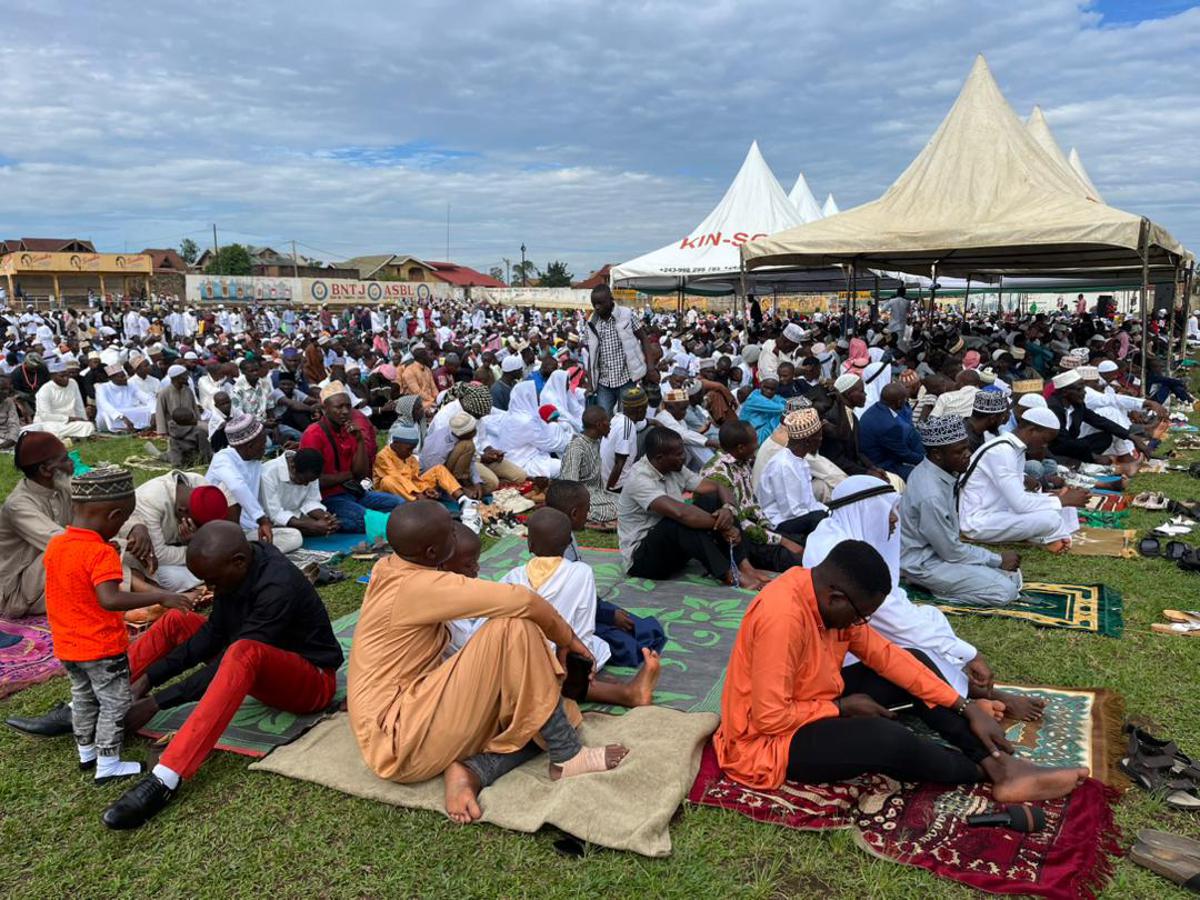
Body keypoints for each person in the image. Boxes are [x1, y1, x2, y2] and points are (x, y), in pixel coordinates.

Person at [715, 539, 1085, 798]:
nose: (861, 623)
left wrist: (963, 705)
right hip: (766, 742)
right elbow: (769, 717)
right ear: (836, 597)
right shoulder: (783, 616)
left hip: (810, 700)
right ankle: (982, 773)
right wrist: (841, 708)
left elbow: (890, 658)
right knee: (883, 738)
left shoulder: (829, 603)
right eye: (860, 615)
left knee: (914, 663)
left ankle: (998, 763)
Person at [347, 501, 628, 825]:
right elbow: (523, 600)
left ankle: (472, 769)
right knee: (515, 628)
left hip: (408, 711)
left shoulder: (391, 567)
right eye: (451, 531)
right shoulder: (418, 587)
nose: (458, 529)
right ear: (432, 552)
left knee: (531, 703)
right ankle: (567, 755)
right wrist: (571, 641)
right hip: (398, 739)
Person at [100, 521, 344, 829]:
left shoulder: (276, 587)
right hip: (258, 662)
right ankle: (100, 698)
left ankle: (167, 777)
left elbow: (235, 659)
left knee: (243, 651)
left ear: (238, 562)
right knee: (177, 620)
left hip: (312, 681)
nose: (208, 587)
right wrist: (147, 680)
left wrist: (156, 703)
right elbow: (214, 633)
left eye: (211, 580)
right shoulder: (238, 567)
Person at [45, 466, 195, 784]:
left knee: (84, 698)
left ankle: (86, 752)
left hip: (68, 647)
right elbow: (110, 599)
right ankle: (108, 762)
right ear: (114, 516)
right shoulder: (100, 553)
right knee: (114, 703)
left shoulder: (57, 544)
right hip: (100, 647)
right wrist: (162, 597)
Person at [451, 508, 661, 708]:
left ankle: (611, 688)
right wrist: (582, 665)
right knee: (592, 648)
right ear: (569, 543)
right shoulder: (581, 572)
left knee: (591, 647)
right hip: (520, 665)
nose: (477, 569)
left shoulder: (513, 576)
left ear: (530, 545)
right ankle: (619, 692)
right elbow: (583, 625)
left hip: (519, 656)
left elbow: (482, 628)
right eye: (470, 565)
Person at [617, 427, 770, 590]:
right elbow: (680, 514)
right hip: (644, 562)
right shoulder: (639, 479)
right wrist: (725, 525)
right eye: (679, 454)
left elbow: (717, 487)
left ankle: (745, 566)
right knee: (680, 521)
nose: (684, 457)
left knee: (712, 500)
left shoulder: (674, 468)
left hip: (674, 552)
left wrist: (728, 509)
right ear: (660, 457)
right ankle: (729, 574)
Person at [901, 416, 1023, 608]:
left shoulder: (939, 471)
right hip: (926, 563)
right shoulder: (930, 494)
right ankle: (938, 591)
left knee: (1011, 577)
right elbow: (950, 551)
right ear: (938, 454)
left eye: (967, 448)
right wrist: (997, 560)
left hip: (941, 554)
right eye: (959, 451)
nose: (968, 454)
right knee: (1005, 591)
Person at [958, 407, 1087, 547]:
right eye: (1044, 440)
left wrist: (1052, 498)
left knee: (1064, 508)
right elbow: (1020, 504)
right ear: (1031, 430)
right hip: (978, 521)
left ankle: (1050, 536)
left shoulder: (1014, 449)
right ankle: (1048, 537)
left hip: (1001, 511)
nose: (1045, 445)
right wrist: (1061, 500)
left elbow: (1020, 495)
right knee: (1051, 519)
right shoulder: (1002, 451)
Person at [696, 420, 804, 572]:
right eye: (754, 444)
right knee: (792, 558)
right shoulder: (717, 474)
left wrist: (773, 532)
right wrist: (782, 540)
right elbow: (740, 523)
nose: (757, 447)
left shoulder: (742, 461)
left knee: (801, 542)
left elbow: (753, 504)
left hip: (753, 530)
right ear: (740, 448)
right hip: (735, 537)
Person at [299, 390, 404, 532]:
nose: (345, 411)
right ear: (325, 409)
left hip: (353, 492)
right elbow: (314, 481)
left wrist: (360, 441)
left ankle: (356, 519)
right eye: (339, 407)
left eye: (348, 406)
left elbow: (360, 474)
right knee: (364, 519)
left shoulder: (349, 431)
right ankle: (324, 521)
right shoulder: (313, 434)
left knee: (399, 504)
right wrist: (349, 475)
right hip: (327, 498)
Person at [205, 414, 302, 553]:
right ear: (250, 446)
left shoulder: (254, 460)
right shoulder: (223, 459)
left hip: (249, 528)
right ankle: (240, 550)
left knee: (294, 536)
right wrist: (262, 520)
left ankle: (248, 551)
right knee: (228, 488)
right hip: (220, 529)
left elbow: (256, 496)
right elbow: (237, 486)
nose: (265, 448)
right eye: (262, 444)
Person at [758, 408, 828, 543]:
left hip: (799, 515)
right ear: (807, 441)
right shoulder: (784, 466)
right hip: (779, 522)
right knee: (820, 519)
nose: (821, 439)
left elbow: (809, 503)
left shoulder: (798, 459)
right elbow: (792, 512)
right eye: (819, 436)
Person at [374, 420, 474, 504]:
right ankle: (420, 502)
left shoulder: (409, 457)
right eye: (408, 449)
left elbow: (415, 479)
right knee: (387, 481)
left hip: (413, 489)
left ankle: (462, 499)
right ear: (396, 444)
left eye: (412, 449)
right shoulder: (382, 456)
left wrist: (426, 489)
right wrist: (419, 494)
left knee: (439, 469)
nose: (411, 453)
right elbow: (398, 478)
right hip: (394, 491)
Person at [491, 380, 571, 478]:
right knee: (566, 466)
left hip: (519, 457)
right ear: (528, 396)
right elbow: (549, 444)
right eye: (535, 394)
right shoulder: (525, 421)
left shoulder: (513, 414)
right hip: (523, 462)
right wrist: (555, 426)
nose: (537, 397)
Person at [260, 448, 342, 537]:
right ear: (293, 467)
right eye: (304, 480)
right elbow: (275, 514)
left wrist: (325, 517)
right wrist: (310, 525)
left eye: (310, 481)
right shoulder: (268, 473)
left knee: (325, 526)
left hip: (295, 514)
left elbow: (311, 501)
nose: (306, 485)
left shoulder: (310, 470)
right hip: (266, 519)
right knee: (298, 535)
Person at [558, 406, 618, 525]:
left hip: (596, 493)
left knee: (627, 501)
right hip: (581, 498)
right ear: (599, 425)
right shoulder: (576, 447)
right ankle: (582, 514)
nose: (610, 425)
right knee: (623, 507)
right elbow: (569, 486)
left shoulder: (595, 442)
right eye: (608, 421)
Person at [857, 383, 925, 481]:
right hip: (881, 465)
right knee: (921, 476)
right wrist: (928, 462)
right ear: (898, 402)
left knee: (912, 434)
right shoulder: (889, 426)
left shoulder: (877, 408)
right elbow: (904, 454)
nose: (906, 402)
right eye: (905, 400)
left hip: (882, 453)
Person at [600, 385, 652, 492]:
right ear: (640, 409)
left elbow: (643, 423)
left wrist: (654, 422)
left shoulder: (618, 418)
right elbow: (619, 464)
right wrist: (608, 491)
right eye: (645, 409)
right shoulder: (627, 427)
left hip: (605, 477)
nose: (646, 412)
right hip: (616, 485)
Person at [30, 358, 95, 439]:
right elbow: (45, 416)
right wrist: (69, 419)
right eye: (62, 376)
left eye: (67, 375)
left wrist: (84, 419)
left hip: (69, 423)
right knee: (50, 430)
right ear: (52, 376)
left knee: (88, 426)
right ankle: (70, 436)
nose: (66, 378)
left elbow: (79, 406)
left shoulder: (73, 383)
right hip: (49, 423)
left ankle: (68, 437)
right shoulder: (45, 390)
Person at [655, 386, 717, 470]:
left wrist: (700, 432)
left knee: (697, 442)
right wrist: (713, 443)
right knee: (694, 443)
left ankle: (714, 467)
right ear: (670, 407)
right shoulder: (663, 417)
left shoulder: (680, 420)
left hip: (684, 460)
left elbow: (686, 435)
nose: (685, 413)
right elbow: (683, 436)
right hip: (666, 459)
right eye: (683, 409)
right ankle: (714, 468)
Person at [95, 364, 155, 433]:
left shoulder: (130, 385)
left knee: (147, 409)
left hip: (128, 411)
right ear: (112, 378)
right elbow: (105, 405)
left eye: (125, 376)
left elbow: (147, 398)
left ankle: (141, 427)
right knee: (107, 414)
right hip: (112, 414)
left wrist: (154, 412)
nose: (125, 378)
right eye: (122, 377)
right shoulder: (102, 388)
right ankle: (121, 429)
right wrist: (121, 417)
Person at [154, 365, 200, 436]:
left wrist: (199, 422)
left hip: (191, 426)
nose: (187, 378)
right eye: (185, 375)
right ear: (177, 378)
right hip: (173, 428)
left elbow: (195, 409)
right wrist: (162, 432)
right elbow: (160, 413)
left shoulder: (188, 390)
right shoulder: (164, 393)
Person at [739, 378, 788, 444]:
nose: (768, 391)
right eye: (766, 388)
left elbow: (783, 401)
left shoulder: (772, 396)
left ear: (776, 390)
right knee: (780, 415)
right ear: (760, 385)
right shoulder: (754, 398)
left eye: (772, 389)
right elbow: (782, 407)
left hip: (759, 430)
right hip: (748, 434)